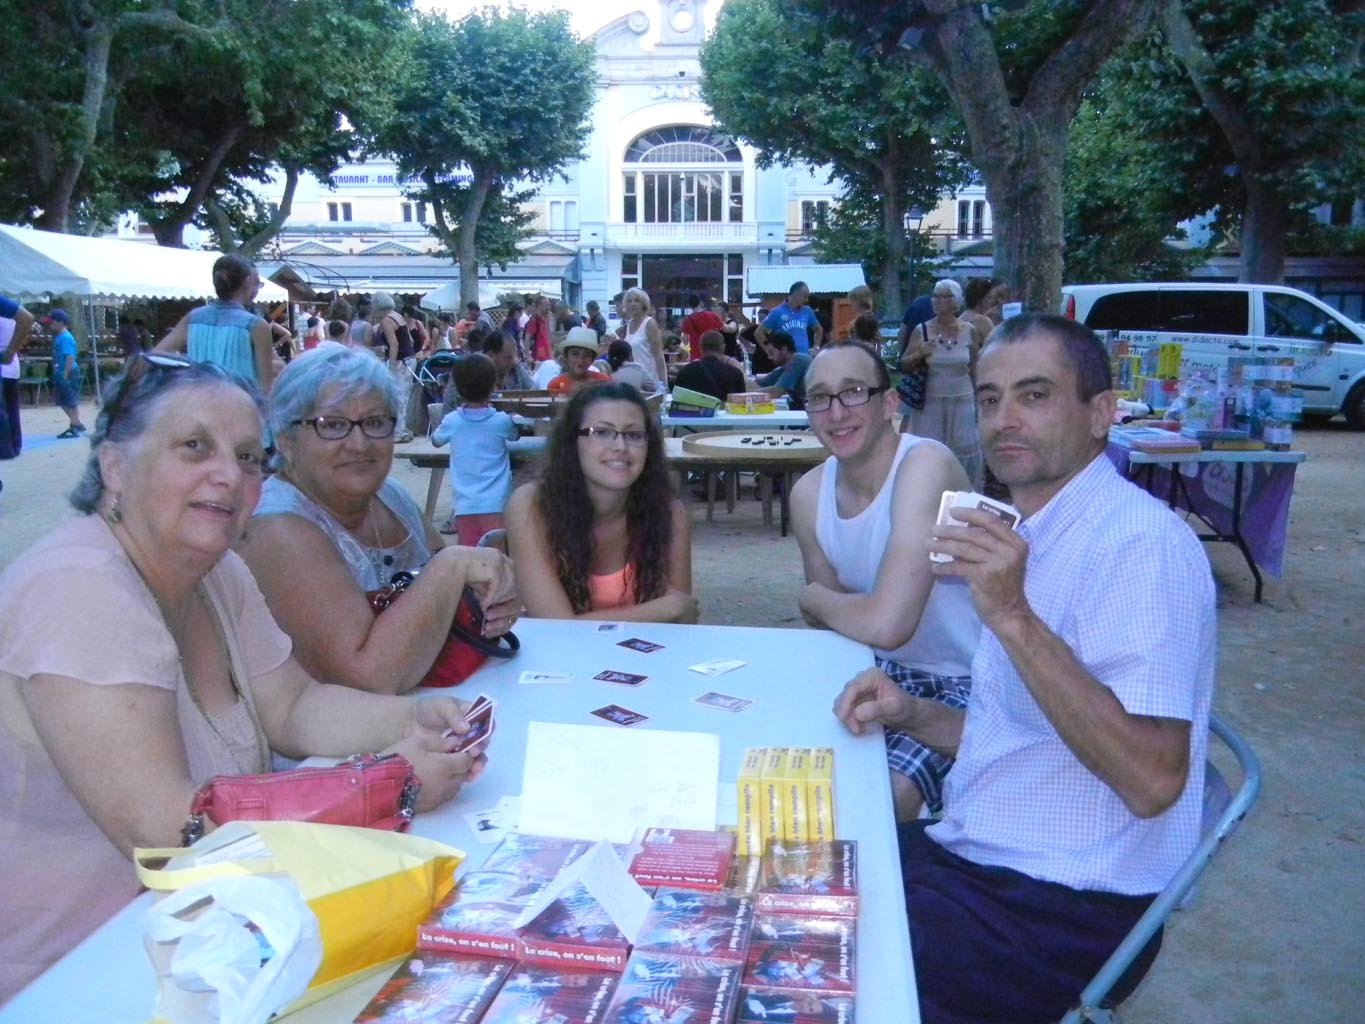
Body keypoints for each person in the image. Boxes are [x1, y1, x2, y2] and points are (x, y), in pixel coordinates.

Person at [0, 353, 493, 1002]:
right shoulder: (76, 588)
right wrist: (389, 785)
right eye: (194, 446)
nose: (229, 475)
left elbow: (294, 707)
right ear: (115, 468)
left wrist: (414, 717)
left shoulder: (217, 571)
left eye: (248, 457)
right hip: (83, 975)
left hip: (220, 938)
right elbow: (166, 832)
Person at [833, 314, 1216, 1024]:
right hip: (980, 860)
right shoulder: (1034, 534)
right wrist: (912, 713)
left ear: (1100, 413)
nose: (1004, 419)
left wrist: (1011, 613)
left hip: (1067, 902)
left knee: (803, 968)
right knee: (788, 880)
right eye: (989, 398)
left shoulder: (1139, 547)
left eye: (1034, 395)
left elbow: (1153, 781)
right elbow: (1026, 735)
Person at [237, 344, 520, 695]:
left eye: (374, 423)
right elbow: (367, 678)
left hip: (440, 707)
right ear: (286, 441)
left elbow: (463, 597)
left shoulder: (389, 495)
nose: (359, 444)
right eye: (332, 425)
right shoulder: (276, 528)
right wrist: (452, 565)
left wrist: (494, 601)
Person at [790, 341, 978, 821]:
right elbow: (835, 629)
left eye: (854, 392)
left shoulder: (925, 464)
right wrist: (834, 607)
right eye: (820, 397)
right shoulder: (808, 493)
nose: (836, 412)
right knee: (796, 773)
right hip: (872, 669)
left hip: (961, 678)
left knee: (880, 802)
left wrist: (812, 597)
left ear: (889, 403)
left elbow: (888, 624)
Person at [505, 381, 696, 623]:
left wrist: (670, 610)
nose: (620, 446)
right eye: (602, 432)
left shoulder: (670, 513)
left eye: (633, 435)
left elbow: (680, 621)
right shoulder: (531, 506)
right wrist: (661, 609)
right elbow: (557, 627)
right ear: (572, 441)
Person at [899, 279, 982, 489]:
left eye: (944, 296)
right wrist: (920, 353)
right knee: (930, 449)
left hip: (962, 400)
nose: (937, 300)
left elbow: (975, 368)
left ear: (956, 302)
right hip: (931, 403)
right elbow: (904, 364)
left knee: (964, 449)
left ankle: (965, 492)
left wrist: (981, 399)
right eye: (935, 295)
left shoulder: (969, 330)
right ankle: (929, 493)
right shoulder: (922, 330)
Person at [431, 354, 518, 546]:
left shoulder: (452, 421)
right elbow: (515, 435)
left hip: (465, 505)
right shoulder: (501, 421)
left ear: (458, 388)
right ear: (493, 386)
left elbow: (436, 440)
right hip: (497, 503)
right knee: (498, 554)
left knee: (470, 555)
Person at [156, 254, 275, 394]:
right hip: (239, 403)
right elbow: (266, 387)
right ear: (248, 281)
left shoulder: (193, 318)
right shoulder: (256, 326)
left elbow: (157, 355)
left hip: (199, 400)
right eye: (257, 283)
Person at [370, 292, 417, 443]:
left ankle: (398, 432)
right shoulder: (398, 316)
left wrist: (391, 366)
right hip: (410, 359)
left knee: (398, 397)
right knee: (404, 396)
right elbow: (410, 339)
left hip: (400, 361)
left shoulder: (386, 320)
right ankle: (402, 428)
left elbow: (394, 344)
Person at [0, 295, 34, 467]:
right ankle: (13, 446)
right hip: (11, 368)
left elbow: (26, 318)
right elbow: (26, 319)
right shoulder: (10, 316)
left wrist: (9, 352)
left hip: (7, 368)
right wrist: (11, 352)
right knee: (11, 410)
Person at [44, 309, 86, 438]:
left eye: (52, 322)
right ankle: (77, 423)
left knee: (70, 400)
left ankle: (74, 426)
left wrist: (65, 374)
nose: (50, 324)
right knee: (61, 400)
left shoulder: (65, 338)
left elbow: (70, 357)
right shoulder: (60, 337)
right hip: (61, 372)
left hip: (68, 372)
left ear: (61, 322)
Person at [674, 330, 745, 403]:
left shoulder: (686, 372)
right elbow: (742, 403)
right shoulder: (735, 373)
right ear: (723, 347)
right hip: (726, 410)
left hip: (694, 410)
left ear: (700, 348)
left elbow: (678, 402)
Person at [615, 286, 666, 385]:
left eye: (636, 300)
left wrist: (663, 382)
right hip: (633, 380)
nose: (632, 304)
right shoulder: (628, 325)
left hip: (649, 380)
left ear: (643, 304)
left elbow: (659, 355)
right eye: (629, 301)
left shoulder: (650, 323)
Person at [756, 281, 823, 354]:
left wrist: (816, 347)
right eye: (805, 297)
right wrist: (771, 352)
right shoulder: (777, 312)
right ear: (795, 294)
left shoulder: (807, 311)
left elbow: (818, 329)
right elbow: (758, 333)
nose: (806, 300)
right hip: (785, 359)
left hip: (804, 357)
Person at [757, 330, 811, 410]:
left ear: (784, 349)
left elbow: (776, 392)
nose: (769, 357)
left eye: (771, 353)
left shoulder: (798, 361)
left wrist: (746, 395)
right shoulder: (783, 369)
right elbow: (757, 384)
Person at [547, 328, 611, 394]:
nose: (580, 360)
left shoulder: (603, 381)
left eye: (587, 355)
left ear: (593, 359)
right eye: (575, 354)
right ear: (566, 356)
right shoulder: (556, 385)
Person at [962, 277, 1007, 346]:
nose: (992, 301)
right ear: (979, 299)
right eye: (989, 297)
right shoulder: (983, 321)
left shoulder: (961, 318)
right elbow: (995, 347)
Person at [679, 293, 724, 361]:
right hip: (712, 354)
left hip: (696, 356)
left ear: (689, 305)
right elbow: (722, 330)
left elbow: (685, 342)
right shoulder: (712, 315)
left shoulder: (687, 320)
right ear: (700, 303)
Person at [524, 295, 553, 364]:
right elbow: (527, 338)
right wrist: (528, 356)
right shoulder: (534, 320)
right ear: (539, 306)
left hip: (546, 356)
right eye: (546, 305)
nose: (548, 307)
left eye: (548, 305)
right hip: (539, 358)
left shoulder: (544, 320)